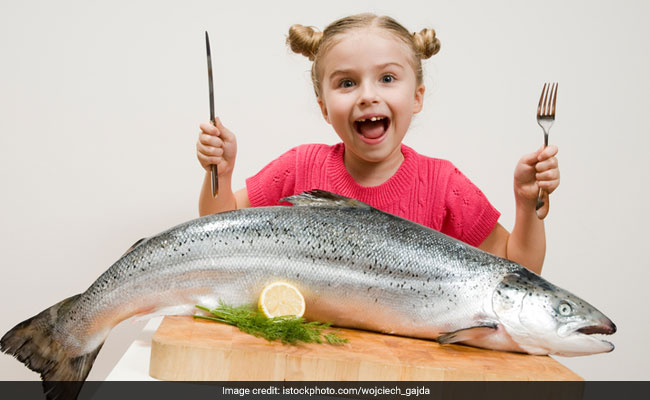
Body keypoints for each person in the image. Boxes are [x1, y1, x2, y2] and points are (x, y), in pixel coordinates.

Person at [195, 13, 559, 275]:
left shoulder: (443, 184)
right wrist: (220, 176)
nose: (368, 95)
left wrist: (527, 206)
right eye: (347, 83)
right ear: (323, 108)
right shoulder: (299, 166)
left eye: (387, 78)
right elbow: (219, 230)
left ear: (416, 97)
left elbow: (518, 271)